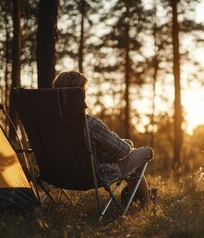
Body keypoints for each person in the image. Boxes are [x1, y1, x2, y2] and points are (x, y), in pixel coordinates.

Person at [52, 71, 154, 208]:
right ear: (79, 95)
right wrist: (128, 144)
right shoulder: (90, 123)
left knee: (127, 158)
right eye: (85, 91)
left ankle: (133, 195)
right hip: (95, 175)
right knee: (146, 152)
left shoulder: (46, 124)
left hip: (56, 175)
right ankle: (146, 203)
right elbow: (122, 150)